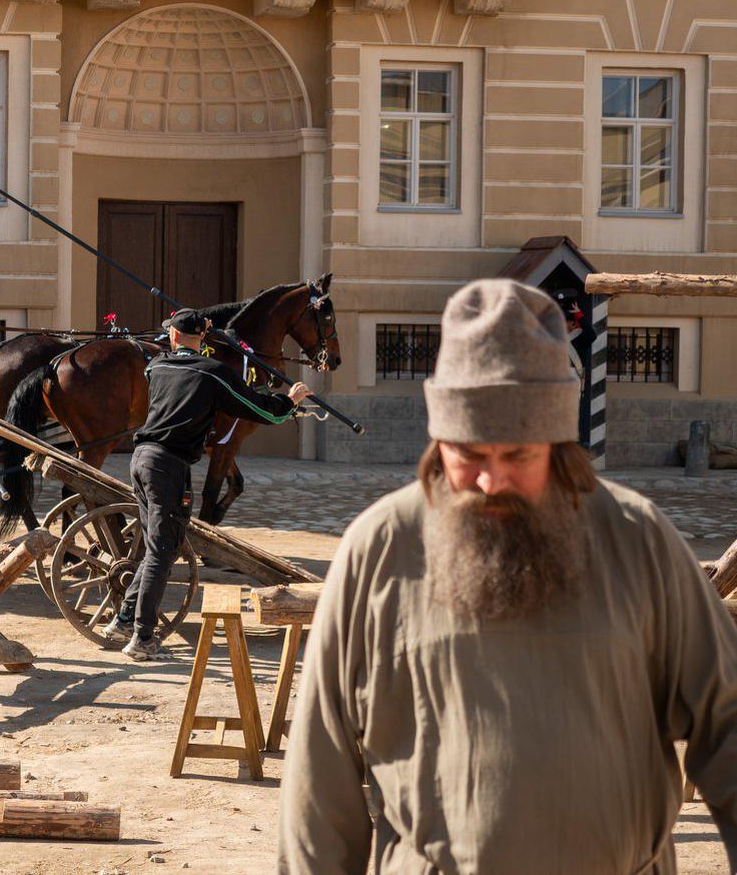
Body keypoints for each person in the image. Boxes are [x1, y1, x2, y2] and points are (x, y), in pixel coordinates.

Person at [278, 279, 737, 874]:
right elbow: (322, 774)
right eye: (469, 454)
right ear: (439, 441)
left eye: (517, 456)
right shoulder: (381, 548)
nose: (490, 481)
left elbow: (726, 724)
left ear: (558, 447)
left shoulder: (637, 538)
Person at [102, 308, 313, 660]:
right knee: (162, 550)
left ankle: (124, 619)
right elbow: (257, 408)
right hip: (170, 466)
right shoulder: (214, 373)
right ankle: (142, 638)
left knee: (158, 547)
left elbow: (175, 358)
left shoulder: (156, 368)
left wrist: (197, 340)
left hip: (141, 460)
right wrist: (288, 402)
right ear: (202, 337)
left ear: (172, 337)